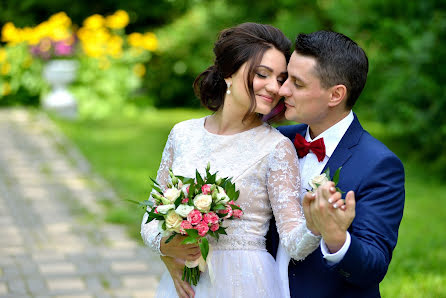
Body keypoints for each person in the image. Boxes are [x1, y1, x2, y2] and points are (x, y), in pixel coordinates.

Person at [140, 23, 343, 298]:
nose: (275, 88)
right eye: (262, 74)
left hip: (246, 283)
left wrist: (317, 224)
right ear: (228, 74)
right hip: (188, 281)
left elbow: (293, 242)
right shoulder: (182, 134)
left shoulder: (277, 147)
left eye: (281, 79)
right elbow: (151, 215)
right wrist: (166, 247)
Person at [266, 30, 405, 297]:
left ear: (335, 95)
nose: (282, 90)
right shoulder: (275, 141)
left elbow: (372, 268)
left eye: (298, 83)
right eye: (286, 78)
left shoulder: (379, 165)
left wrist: (335, 237)